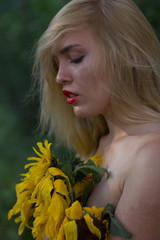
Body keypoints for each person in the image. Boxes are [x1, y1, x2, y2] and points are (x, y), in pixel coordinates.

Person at [34, 0, 160, 239]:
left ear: (124, 53)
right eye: (55, 64)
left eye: (75, 57)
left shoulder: (153, 156)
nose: (59, 77)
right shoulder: (100, 144)